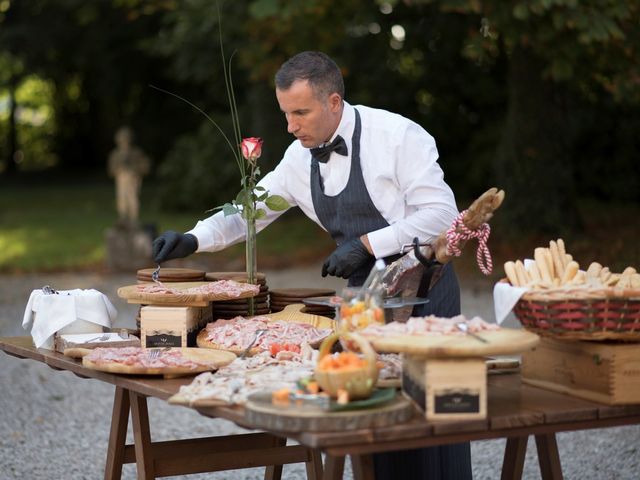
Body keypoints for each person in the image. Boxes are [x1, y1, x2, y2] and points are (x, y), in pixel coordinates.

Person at [152, 51, 470, 479]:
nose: (290, 125)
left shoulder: (398, 136)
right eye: (285, 113)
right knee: (374, 421)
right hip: (364, 306)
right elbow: (251, 210)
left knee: (443, 420)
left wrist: (366, 244)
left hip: (430, 299)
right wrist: (193, 238)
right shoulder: (298, 160)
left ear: (334, 102)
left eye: (300, 112)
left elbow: (443, 216)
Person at [108, 126, 150, 226]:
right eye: (121, 139)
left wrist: (135, 171)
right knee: (121, 199)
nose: (124, 142)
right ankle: (123, 218)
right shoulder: (116, 154)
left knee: (133, 199)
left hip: (133, 179)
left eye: (126, 139)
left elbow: (144, 165)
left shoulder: (136, 153)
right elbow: (112, 169)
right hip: (121, 179)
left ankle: (133, 219)